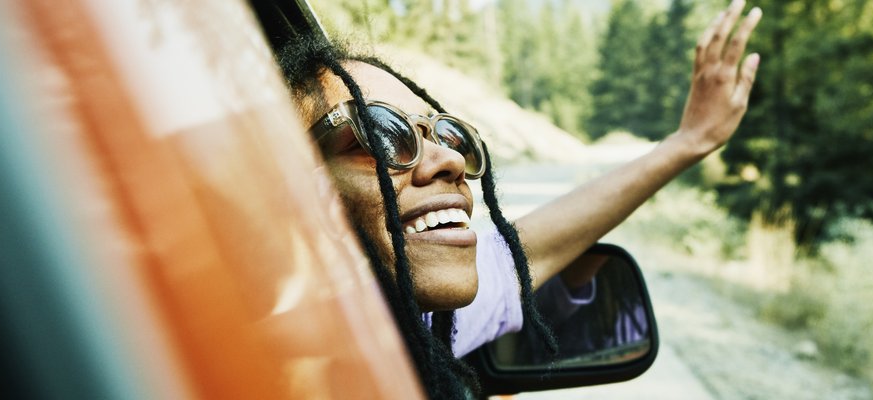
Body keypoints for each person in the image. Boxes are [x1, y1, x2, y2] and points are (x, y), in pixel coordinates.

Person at [276, 0, 762, 397]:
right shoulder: (236, 360)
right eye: (381, 135)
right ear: (283, 187)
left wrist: (690, 142)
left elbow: (535, 247)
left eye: (448, 135)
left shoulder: (413, 322)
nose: (447, 160)